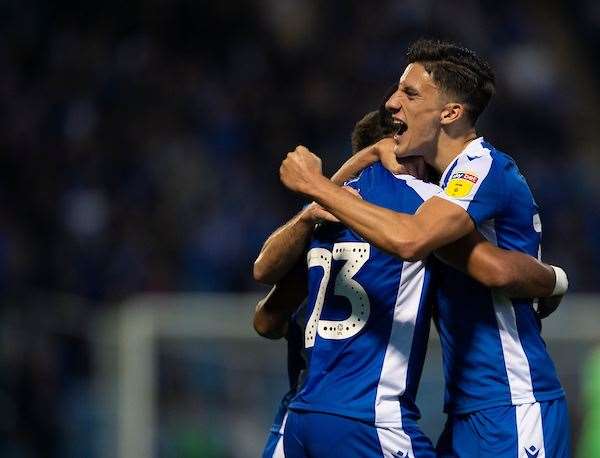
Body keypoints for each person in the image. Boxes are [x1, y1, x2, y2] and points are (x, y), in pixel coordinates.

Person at [277, 39, 570, 457]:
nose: (391, 103)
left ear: (450, 113)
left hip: (513, 402)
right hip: (468, 410)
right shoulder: (437, 185)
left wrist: (315, 185)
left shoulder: (480, 166)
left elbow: (413, 241)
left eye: (410, 94)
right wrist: (364, 159)